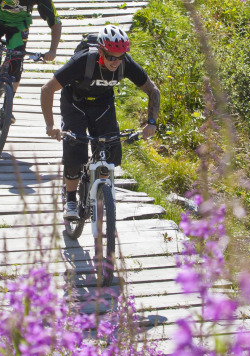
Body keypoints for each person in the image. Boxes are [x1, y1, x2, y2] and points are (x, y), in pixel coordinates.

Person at [39, 24, 160, 223]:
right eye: (111, 56)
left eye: (120, 57)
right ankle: (70, 200)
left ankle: (102, 192)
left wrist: (151, 122)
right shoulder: (82, 61)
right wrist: (50, 125)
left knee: (111, 149)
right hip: (74, 103)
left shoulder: (124, 63)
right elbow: (47, 89)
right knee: (75, 149)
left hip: (103, 105)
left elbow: (153, 90)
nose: (116, 61)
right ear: (101, 51)